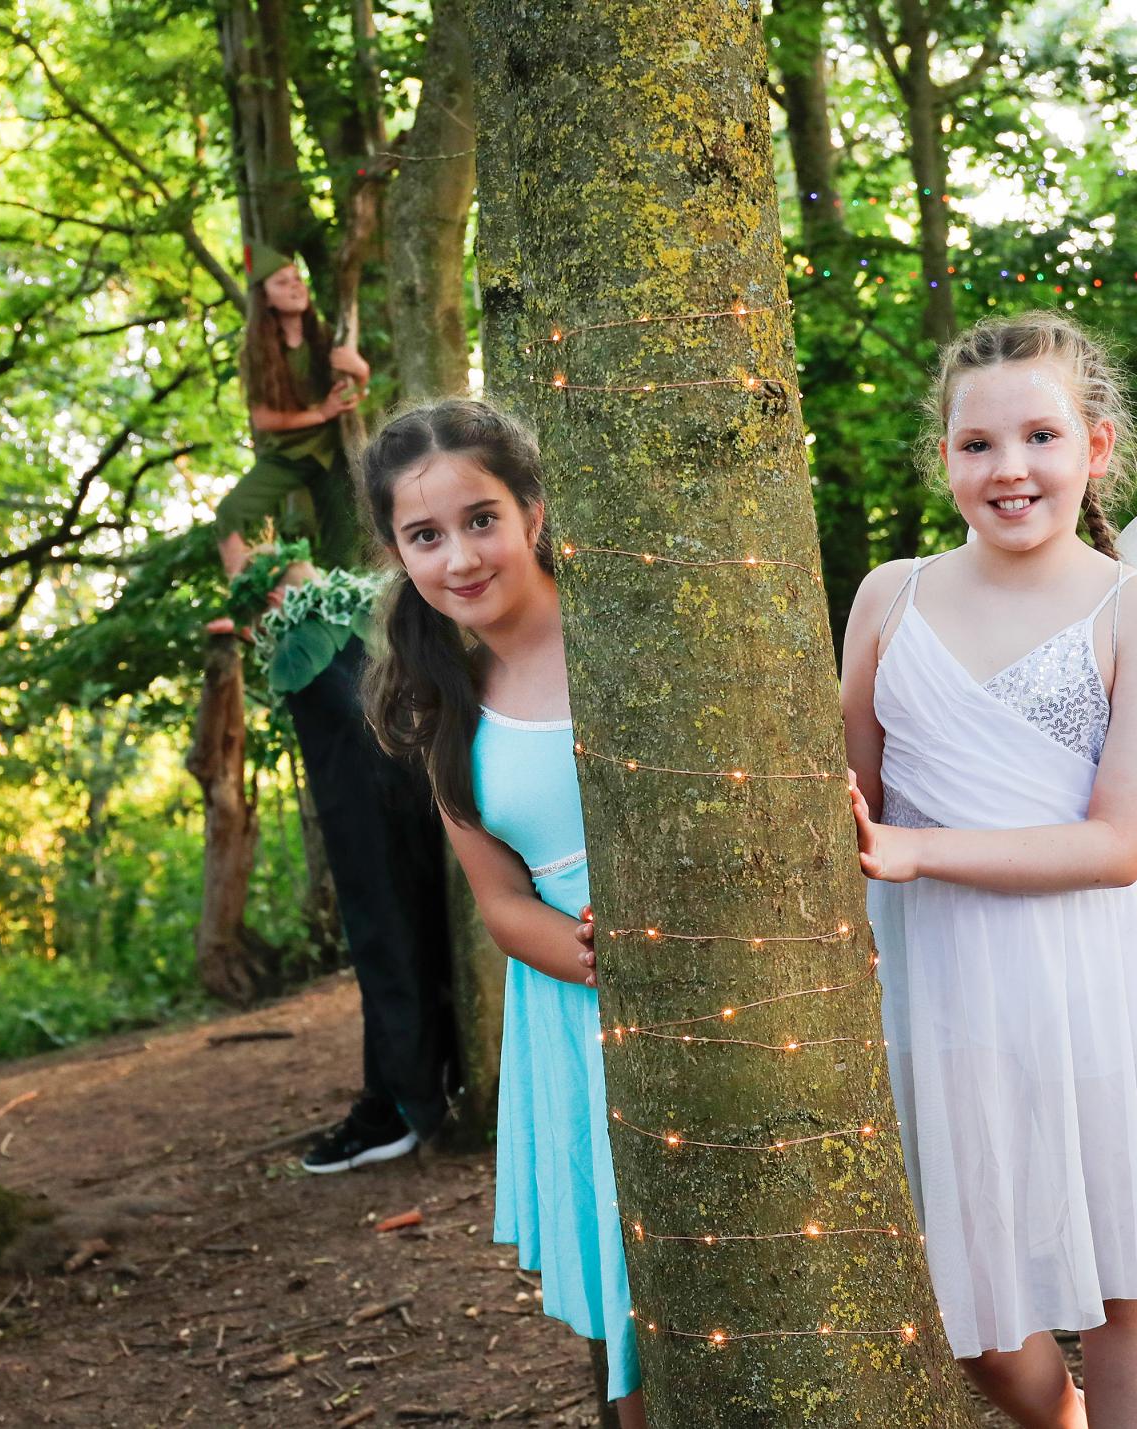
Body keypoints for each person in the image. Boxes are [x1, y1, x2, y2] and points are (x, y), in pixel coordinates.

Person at [838, 312, 1137, 1428]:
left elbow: (1117, 844)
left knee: (1114, 1280)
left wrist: (913, 848)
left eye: (1040, 437)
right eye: (976, 445)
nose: (1009, 469)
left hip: (1073, 978)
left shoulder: (1134, 611)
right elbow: (847, 787)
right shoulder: (888, 595)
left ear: (1094, 448)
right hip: (924, 978)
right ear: (944, 458)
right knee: (960, 1300)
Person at [359, 399, 643, 1425]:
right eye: (423, 536)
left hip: (726, 977)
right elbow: (501, 903)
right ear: (397, 551)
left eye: (479, 518)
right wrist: (606, 960)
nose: (458, 556)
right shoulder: (440, 702)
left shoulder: (628, 628)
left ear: (530, 510)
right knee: (640, 1324)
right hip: (579, 1011)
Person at [212, 242, 456, 1171]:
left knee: (393, 884)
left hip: (360, 669)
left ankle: (405, 1094)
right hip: (346, 666)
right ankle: (407, 1088)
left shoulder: (392, 613)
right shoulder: (349, 619)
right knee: (384, 886)